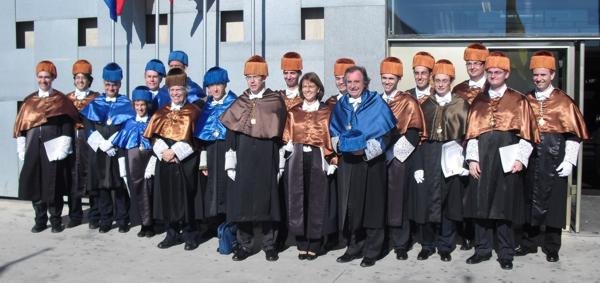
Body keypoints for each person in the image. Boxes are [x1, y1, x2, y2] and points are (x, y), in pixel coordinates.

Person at [464, 51, 540, 270]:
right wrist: (471, 160)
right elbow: (471, 135)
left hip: (507, 160)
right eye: (490, 72)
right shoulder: (478, 100)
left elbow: (527, 135)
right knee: (481, 207)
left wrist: (520, 159)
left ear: (506, 74)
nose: (493, 75)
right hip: (483, 159)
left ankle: (506, 253)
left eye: (497, 72)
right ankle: (482, 250)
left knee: (504, 208)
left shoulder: (518, 100)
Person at [516, 51, 590, 262]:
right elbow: (521, 133)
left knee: (555, 204)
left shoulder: (564, 102)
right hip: (532, 160)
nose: (538, 79)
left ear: (552, 75)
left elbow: (574, 135)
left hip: (556, 159)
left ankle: (552, 246)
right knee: (528, 201)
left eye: (543, 75)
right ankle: (528, 243)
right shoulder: (526, 100)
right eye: (536, 75)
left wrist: (569, 161)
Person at [220, 55, 287, 261]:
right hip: (245, 157)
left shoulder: (274, 101)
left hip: (267, 156)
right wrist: (230, 159)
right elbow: (232, 132)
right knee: (243, 203)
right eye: (249, 77)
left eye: (256, 76)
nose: (252, 81)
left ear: (264, 77)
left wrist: (281, 161)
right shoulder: (241, 101)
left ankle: (269, 244)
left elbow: (282, 132)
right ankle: (245, 245)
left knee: (268, 202)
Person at [330, 66, 397, 267]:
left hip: (371, 163)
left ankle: (372, 250)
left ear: (365, 83)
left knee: (372, 207)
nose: (352, 86)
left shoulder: (377, 103)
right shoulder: (340, 105)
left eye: (356, 82)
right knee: (352, 207)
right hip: (349, 164)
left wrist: (366, 150)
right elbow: (333, 131)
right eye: (349, 82)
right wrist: (340, 146)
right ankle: (354, 246)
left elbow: (387, 134)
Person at [411, 59, 470, 262]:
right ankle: (427, 245)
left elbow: (468, 137)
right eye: (437, 80)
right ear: (433, 81)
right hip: (428, 155)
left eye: (445, 80)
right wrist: (418, 165)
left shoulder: (461, 104)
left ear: (451, 81)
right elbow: (417, 138)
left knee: (448, 204)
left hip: (452, 157)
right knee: (426, 202)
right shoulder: (424, 104)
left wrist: (465, 163)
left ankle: (445, 245)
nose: (441, 84)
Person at [14, 60, 79, 233]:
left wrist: (64, 144)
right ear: (36, 78)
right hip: (33, 148)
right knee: (35, 184)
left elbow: (67, 123)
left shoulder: (61, 100)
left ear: (53, 78)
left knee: (53, 184)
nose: (44, 80)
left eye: (47, 77)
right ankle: (40, 220)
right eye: (40, 77)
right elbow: (21, 127)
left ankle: (56, 220)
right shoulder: (29, 101)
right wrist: (21, 146)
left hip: (53, 148)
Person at [144, 68, 203, 250]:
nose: (176, 93)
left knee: (187, 198)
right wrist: (164, 152)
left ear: (185, 90)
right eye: (172, 90)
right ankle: (171, 233)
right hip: (165, 161)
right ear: (168, 92)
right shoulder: (161, 112)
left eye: (179, 90)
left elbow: (197, 138)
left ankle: (189, 234)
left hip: (185, 162)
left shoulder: (194, 111)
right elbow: (152, 136)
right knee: (167, 197)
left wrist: (176, 152)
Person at [282, 72, 338, 260]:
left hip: (317, 158)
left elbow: (332, 137)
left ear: (318, 89)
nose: (308, 90)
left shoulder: (326, 111)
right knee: (298, 198)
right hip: (297, 157)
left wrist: (332, 160)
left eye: (311, 87)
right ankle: (301, 240)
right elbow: (287, 136)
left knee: (316, 199)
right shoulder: (294, 111)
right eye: (305, 87)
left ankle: (314, 241)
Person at [378, 57, 426, 261]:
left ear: (398, 78)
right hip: (377, 157)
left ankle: (400, 243)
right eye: (384, 78)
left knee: (399, 201)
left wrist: (395, 153)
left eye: (391, 78)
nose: (387, 81)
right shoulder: (375, 100)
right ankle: (381, 241)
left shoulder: (408, 101)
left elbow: (414, 131)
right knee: (378, 202)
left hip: (399, 158)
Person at [81, 62, 135, 233]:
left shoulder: (127, 103)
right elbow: (88, 125)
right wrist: (100, 143)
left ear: (119, 84)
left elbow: (129, 126)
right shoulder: (95, 102)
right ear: (104, 84)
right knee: (102, 186)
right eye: (108, 84)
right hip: (100, 151)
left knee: (119, 185)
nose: (111, 87)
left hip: (118, 150)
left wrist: (113, 141)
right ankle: (105, 219)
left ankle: (122, 219)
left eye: (114, 85)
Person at [194, 67, 237, 233]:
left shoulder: (234, 103)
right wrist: (204, 162)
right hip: (211, 152)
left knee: (228, 186)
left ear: (225, 84)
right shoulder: (207, 106)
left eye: (218, 84)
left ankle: (230, 224)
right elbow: (202, 139)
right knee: (212, 188)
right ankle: (214, 223)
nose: (215, 89)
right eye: (211, 86)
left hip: (228, 151)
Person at [112, 86, 156, 238]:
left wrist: (153, 163)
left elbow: (157, 144)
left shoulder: (153, 122)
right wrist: (122, 167)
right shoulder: (128, 123)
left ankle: (151, 224)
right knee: (136, 190)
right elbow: (122, 146)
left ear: (147, 105)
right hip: (133, 162)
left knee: (150, 190)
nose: (140, 108)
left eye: (142, 105)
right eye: (137, 105)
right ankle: (143, 223)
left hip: (149, 161)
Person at [65, 59, 100, 229]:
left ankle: (94, 215)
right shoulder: (66, 99)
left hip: (90, 140)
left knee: (92, 175)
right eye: (77, 77)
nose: (80, 80)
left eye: (83, 77)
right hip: (72, 139)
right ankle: (75, 215)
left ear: (89, 80)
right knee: (73, 177)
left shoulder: (96, 98)